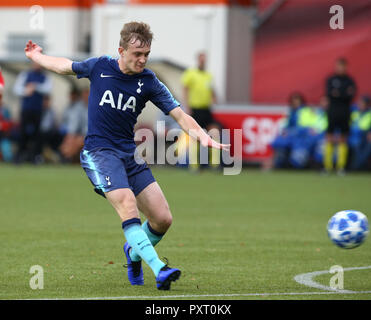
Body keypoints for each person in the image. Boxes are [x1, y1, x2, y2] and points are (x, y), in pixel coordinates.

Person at [23, 21, 229, 291]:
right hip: (99, 152)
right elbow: (64, 65)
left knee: (162, 219)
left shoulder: (150, 81)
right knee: (127, 203)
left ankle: (132, 254)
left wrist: (201, 134)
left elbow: (179, 115)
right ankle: (160, 269)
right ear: (121, 50)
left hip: (129, 154)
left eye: (146, 55)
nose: (142, 60)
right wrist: (37, 56)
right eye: (136, 54)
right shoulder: (100, 66)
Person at [181, 52, 221, 172]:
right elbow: (185, 89)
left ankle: (214, 164)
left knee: (215, 133)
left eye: (204, 59)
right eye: (201, 59)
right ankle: (194, 166)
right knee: (194, 137)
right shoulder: (190, 73)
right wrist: (186, 106)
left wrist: (214, 98)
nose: (203, 61)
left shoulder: (208, 75)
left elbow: (211, 89)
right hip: (195, 109)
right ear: (198, 60)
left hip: (206, 109)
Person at [13, 61, 52, 164]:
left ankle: (35, 157)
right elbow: (16, 89)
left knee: (37, 134)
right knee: (23, 133)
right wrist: (26, 90)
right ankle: (20, 156)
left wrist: (35, 87)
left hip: (38, 110)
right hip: (26, 109)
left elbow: (48, 89)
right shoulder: (25, 74)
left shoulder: (45, 77)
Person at [323, 57, 357, 175]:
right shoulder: (331, 79)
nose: (340, 68)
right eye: (338, 66)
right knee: (329, 137)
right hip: (332, 111)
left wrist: (338, 94)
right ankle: (328, 167)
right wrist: (342, 94)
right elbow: (329, 93)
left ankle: (341, 167)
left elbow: (350, 95)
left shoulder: (349, 80)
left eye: (342, 66)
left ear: (346, 67)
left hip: (345, 112)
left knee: (343, 138)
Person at [268, 92, 306, 169]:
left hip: (301, 137)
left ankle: (272, 163)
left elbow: (304, 127)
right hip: (291, 136)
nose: (295, 103)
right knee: (277, 142)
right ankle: (272, 163)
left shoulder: (304, 112)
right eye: (293, 101)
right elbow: (286, 124)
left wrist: (290, 131)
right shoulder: (291, 112)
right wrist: (285, 131)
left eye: (297, 101)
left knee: (297, 160)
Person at [59, 88, 89, 162]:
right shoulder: (79, 107)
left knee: (76, 142)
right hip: (80, 134)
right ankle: (67, 157)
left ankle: (67, 158)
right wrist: (71, 135)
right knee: (69, 141)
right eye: (84, 95)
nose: (85, 97)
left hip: (90, 135)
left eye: (87, 95)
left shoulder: (96, 107)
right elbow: (74, 123)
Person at [348, 95, 371, 170]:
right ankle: (355, 166)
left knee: (370, 144)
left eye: (362, 103)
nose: (359, 105)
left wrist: (370, 133)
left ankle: (356, 166)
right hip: (351, 134)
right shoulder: (353, 111)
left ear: (367, 105)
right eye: (359, 103)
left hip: (364, 135)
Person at [0, 86, 14, 162]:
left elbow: (10, 122)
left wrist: (2, 125)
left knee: (7, 156)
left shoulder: (5, 110)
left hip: (3, 134)